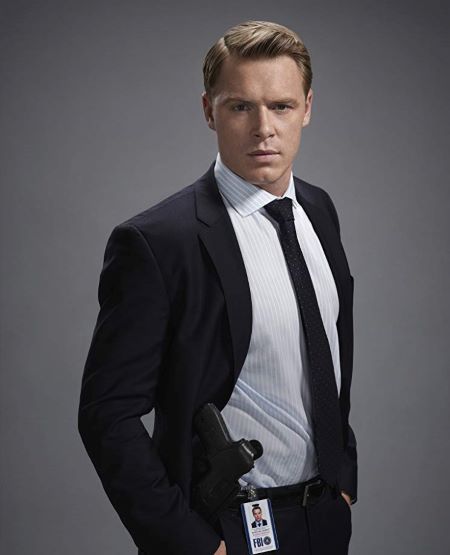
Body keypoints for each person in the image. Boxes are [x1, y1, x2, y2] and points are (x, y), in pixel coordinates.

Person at [78, 20, 358, 555]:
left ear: (307, 108)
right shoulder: (158, 242)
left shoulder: (319, 211)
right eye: (240, 107)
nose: (263, 128)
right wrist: (188, 543)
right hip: (227, 529)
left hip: (325, 519)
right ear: (209, 111)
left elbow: (329, 356)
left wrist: (343, 477)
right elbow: (105, 413)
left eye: (280, 106)